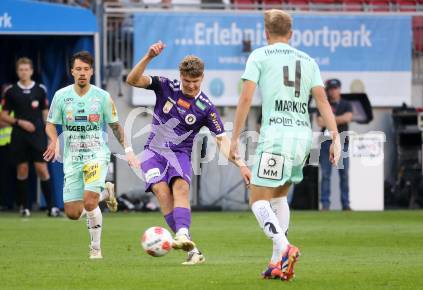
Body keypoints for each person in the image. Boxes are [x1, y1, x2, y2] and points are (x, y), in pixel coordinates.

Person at [230, 10, 340, 281]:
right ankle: (276, 263)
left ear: (265, 33)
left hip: (276, 136)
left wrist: (234, 139)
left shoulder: (259, 55)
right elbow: (323, 101)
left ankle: (284, 247)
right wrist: (335, 136)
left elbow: (245, 100)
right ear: (291, 34)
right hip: (303, 138)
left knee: (257, 200)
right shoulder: (308, 60)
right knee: (278, 196)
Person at [126, 41, 252, 265]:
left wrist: (241, 164)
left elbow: (222, 141)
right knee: (162, 193)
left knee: (180, 188)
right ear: (180, 76)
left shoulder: (207, 108)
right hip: (153, 152)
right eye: (187, 81)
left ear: (202, 78)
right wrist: (148, 56)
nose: (191, 86)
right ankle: (192, 248)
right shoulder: (166, 86)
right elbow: (132, 80)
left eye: (195, 81)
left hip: (179, 154)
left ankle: (183, 235)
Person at [43, 51, 140, 259]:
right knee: (72, 213)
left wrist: (129, 151)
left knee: (89, 202)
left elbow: (115, 126)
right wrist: (54, 141)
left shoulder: (102, 97)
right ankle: (106, 193)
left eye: (86, 69)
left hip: (96, 154)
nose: (82, 73)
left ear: (92, 72)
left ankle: (95, 248)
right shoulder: (61, 96)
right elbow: (50, 123)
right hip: (72, 158)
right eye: (78, 69)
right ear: (72, 71)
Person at [0, 57, 60, 217]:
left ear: (32, 71)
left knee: (42, 168)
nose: (24, 72)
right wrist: (20, 122)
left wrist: (51, 136)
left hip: (38, 135)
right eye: (21, 69)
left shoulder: (40, 89)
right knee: (22, 169)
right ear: (17, 71)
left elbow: (46, 114)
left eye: (26, 69)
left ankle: (52, 207)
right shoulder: (11, 91)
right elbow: (3, 114)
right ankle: (24, 207)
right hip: (19, 135)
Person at [317, 79, 353, 211]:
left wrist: (330, 120)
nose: (333, 91)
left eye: (335, 88)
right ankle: (325, 204)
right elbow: (320, 122)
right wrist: (338, 119)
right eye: (330, 89)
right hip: (326, 142)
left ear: (339, 89)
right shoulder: (323, 103)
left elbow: (348, 117)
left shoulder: (346, 104)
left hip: (342, 142)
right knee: (325, 175)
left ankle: (346, 204)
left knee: (344, 175)